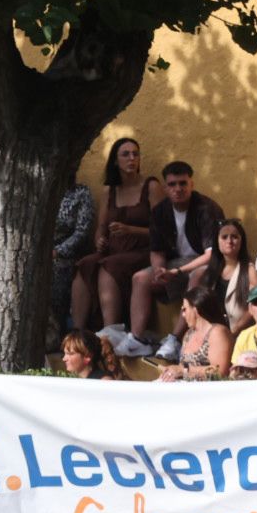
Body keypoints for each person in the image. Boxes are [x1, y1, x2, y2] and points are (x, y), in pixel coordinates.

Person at [123, 160, 224, 357]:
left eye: (182, 183)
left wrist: (177, 271)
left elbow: (211, 255)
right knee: (140, 278)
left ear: (191, 184)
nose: (178, 189)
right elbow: (157, 251)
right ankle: (136, 339)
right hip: (174, 265)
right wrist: (160, 269)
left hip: (205, 263)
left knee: (196, 276)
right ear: (165, 187)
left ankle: (175, 339)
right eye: (172, 184)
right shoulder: (160, 212)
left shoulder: (206, 208)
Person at [71, 137, 163, 333]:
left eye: (135, 154)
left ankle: (110, 331)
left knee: (108, 266)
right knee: (84, 265)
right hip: (114, 249)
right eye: (126, 154)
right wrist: (99, 241)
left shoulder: (151, 186)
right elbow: (101, 226)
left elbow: (163, 231)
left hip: (143, 250)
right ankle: (78, 331)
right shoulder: (109, 190)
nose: (132, 159)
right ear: (115, 161)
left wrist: (132, 230)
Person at [50, 182, 96, 344]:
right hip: (40, 252)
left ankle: (58, 335)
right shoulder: (38, 189)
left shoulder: (80, 193)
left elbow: (82, 231)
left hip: (68, 253)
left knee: (56, 270)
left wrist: (59, 250)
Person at [158, 284, 233, 381]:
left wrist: (183, 370)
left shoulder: (217, 332)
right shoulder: (188, 334)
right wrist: (171, 373)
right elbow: (181, 368)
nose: (183, 315)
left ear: (195, 309)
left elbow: (219, 372)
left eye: (185, 309)